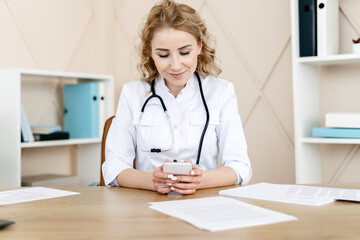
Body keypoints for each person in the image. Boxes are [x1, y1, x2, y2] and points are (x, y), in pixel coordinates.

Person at [102, 0, 252, 194]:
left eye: (184, 52)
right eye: (163, 54)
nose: (175, 65)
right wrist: (152, 181)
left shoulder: (221, 92)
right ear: (150, 53)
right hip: (146, 208)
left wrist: (199, 180)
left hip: (203, 204)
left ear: (199, 45)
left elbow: (241, 167)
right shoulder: (132, 93)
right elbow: (113, 167)